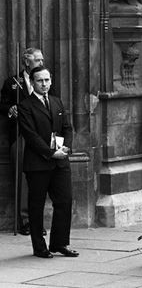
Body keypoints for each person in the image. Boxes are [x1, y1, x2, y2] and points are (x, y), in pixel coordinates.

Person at [18, 66, 77, 258]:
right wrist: (51, 153)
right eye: (40, 81)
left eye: (47, 80)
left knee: (65, 201)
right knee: (36, 206)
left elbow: (67, 128)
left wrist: (66, 148)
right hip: (38, 164)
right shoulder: (25, 106)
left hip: (60, 162)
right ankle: (39, 247)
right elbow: (31, 136)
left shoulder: (56, 101)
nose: (44, 84)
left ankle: (59, 243)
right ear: (33, 83)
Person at [0, 47, 45, 235]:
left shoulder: (45, 81)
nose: (41, 63)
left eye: (42, 60)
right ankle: (25, 221)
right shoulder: (13, 82)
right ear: (27, 62)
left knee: (40, 180)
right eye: (38, 60)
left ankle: (37, 222)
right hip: (20, 136)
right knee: (23, 180)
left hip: (39, 136)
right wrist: (10, 109)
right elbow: (2, 103)